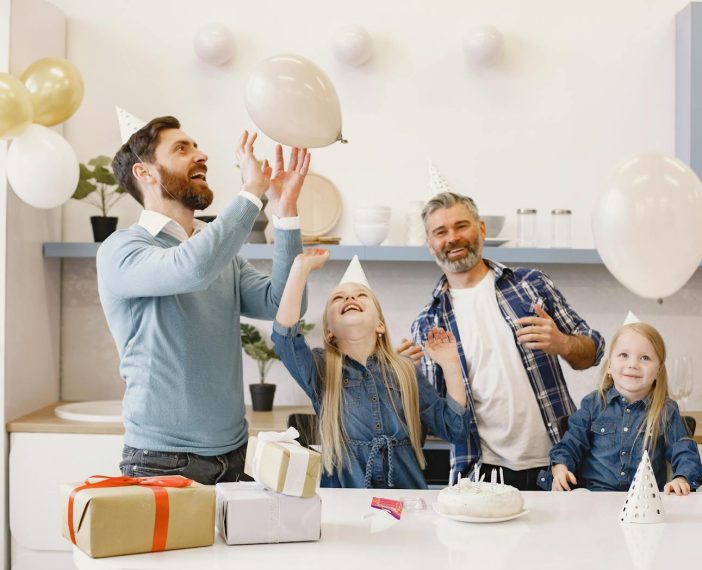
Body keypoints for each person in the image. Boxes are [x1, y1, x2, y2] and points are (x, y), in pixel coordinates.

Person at [98, 114, 310, 484]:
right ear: (145, 173)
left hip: (234, 454)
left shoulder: (217, 250)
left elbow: (282, 304)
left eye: (196, 146)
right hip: (160, 460)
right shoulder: (124, 249)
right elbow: (191, 268)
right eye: (182, 148)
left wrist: (285, 212)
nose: (201, 155)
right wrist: (250, 193)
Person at [409, 191, 604, 490]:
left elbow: (593, 352)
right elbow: (441, 422)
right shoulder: (427, 325)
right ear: (430, 244)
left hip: (560, 464)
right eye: (440, 232)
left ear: (481, 229)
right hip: (482, 473)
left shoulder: (531, 285)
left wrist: (562, 343)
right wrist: (407, 375)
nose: (452, 238)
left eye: (461, 226)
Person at [271, 251, 470, 488]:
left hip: (404, 500)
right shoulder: (322, 370)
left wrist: (451, 366)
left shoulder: (405, 371)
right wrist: (300, 269)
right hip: (344, 503)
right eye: (338, 298)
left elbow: (454, 430)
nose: (350, 298)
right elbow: (285, 339)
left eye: (361, 295)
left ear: (380, 325)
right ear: (329, 332)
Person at [543, 322, 702, 493]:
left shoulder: (666, 410)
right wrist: (560, 469)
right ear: (610, 366)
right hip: (594, 501)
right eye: (624, 355)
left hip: (645, 503)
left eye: (645, 358)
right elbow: (570, 445)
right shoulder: (592, 404)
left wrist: (682, 478)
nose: (633, 364)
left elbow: (684, 451)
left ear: (658, 370)